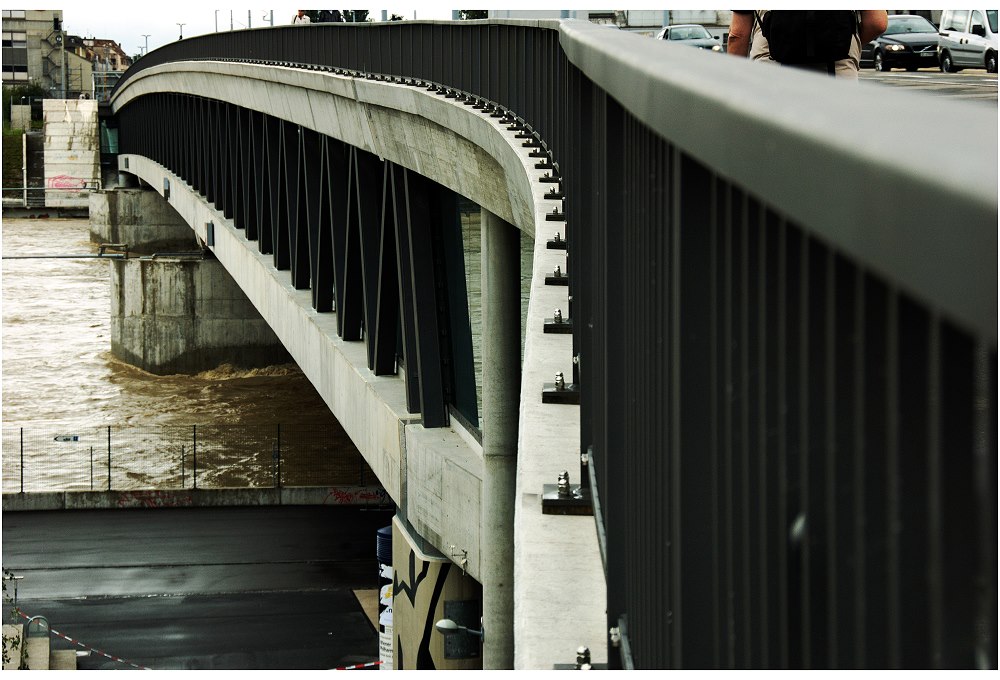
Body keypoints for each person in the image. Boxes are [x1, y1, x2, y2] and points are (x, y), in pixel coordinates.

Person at [727, 10, 888, 79]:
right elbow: (877, 22)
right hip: (837, 69)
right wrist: (843, 40)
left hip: (771, 70)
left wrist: (733, 84)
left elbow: (737, 35)